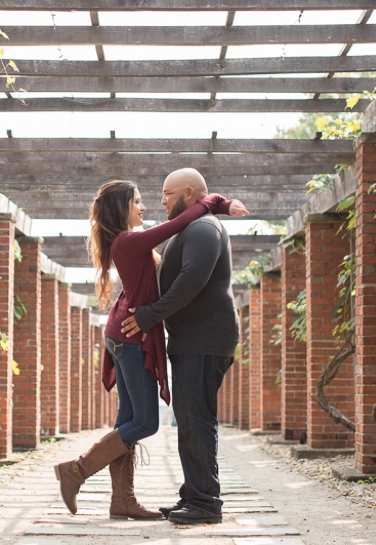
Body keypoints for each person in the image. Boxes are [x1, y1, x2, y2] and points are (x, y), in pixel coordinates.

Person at [54, 180, 247, 520]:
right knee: (145, 422)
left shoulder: (131, 240)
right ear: (121, 208)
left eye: (156, 197)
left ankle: (122, 501)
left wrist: (217, 204)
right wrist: (217, 202)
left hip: (127, 333)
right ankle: (77, 471)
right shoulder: (128, 241)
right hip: (129, 335)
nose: (147, 206)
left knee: (128, 420)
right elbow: (177, 223)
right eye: (138, 201)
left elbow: (184, 220)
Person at [120, 168, 240, 525]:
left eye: (168, 193)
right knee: (190, 417)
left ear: (189, 193)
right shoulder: (194, 226)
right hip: (195, 340)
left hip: (205, 340)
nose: (162, 200)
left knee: (195, 418)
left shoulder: (204, 229)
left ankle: (205, 503)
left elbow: (191, 281)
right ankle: (194, 494)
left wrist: (150, 315)